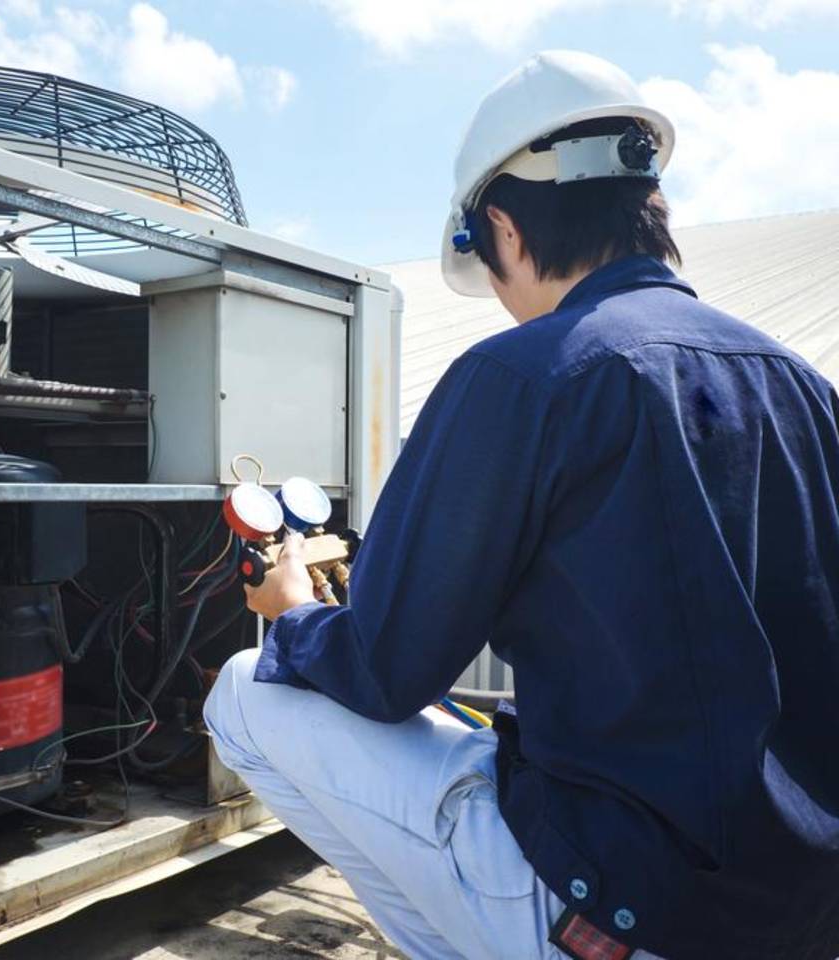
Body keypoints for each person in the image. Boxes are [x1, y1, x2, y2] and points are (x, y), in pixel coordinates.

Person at [203, 50, 839, 960]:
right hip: (800, 916)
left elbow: (387, 672)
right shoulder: (804, 387)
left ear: (501, 229)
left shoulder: (525, 375)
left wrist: (297, 612)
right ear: (645, 209)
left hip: (625, 907)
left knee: (241, 694)